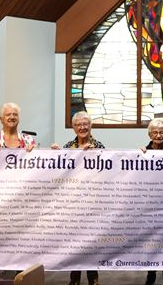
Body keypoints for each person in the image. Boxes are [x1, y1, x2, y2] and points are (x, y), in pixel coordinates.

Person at [51, 111, 103, 285]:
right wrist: (55, 154)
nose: (82, 127)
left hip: (92, 202)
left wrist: (94, 154)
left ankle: (93, 278)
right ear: (73, 127)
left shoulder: (99, 146)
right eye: (78, 125)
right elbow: (60, 170)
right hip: (72, 203)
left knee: (91, 243)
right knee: (73, 242)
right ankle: (74, 278)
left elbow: (105, 171)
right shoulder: (68, 146)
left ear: (90, 126)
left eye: (85, 124)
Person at [142, 119, 163, 285]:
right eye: (155, 132)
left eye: (162, 132)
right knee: (151, 241)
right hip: (150, 206)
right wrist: (138, 154)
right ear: (149, 135)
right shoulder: (143, 152)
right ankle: (151, 274)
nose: (158, 135)